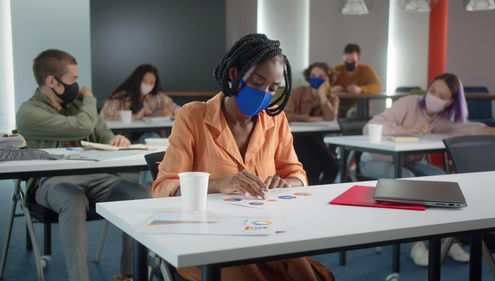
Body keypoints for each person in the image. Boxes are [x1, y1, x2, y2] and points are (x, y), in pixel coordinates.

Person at [152, 34, 335, 281]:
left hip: (265, 231)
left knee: (305, 274)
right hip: (208, 238)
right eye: (258, 82)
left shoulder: (275, 119)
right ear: (234, 74)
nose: (265, 94)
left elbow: (298, 174)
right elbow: (164, 187)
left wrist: (287, 183)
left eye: (273, 88)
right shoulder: (193, 116)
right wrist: (218, 184)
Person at [16, 49, 151, 281]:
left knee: (141, 193)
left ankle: (129, 274)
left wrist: (115, 140)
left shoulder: (79, 105)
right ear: (51, 81)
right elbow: (80, 126)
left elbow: (103, 132)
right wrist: (90, 99)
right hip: (51, 183)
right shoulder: (29, 112)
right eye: (73, 80)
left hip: (96, 178)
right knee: (73, 199)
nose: (78, 87)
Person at [359, 72, 495, 267]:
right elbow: (370, 127)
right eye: (432, 91)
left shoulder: (441, 119)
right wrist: (405, 129)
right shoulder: (408, 103)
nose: (434, 98)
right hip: (374, 159)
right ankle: (415, 243)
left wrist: (489, 130)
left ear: (450, 102)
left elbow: (462, 129)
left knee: (442, 178)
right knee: (406, 180)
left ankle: (447, 240)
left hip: (406, 162)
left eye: (442, 96)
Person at [285, 62, 339, 184]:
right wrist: (310, 119)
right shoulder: (298, 92)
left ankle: (322, 192)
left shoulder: (332, 98)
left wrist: (322, 96)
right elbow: (286, 115)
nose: (316, 79)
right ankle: (309, 194)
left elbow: (331, 119)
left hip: (316, 140)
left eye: (321, 76)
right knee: (312, 167)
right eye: (313, 75)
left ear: (328, 80)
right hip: (295, 140)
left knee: (333, 167)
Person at [100, 64, 180, 141]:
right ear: (137, 79)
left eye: (151, 82)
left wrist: (171, 113)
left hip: (148, 135)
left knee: (152, 137)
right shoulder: (121, 97)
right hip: (124, 137)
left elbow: (180, 110)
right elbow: (104, 114)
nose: (148, 85)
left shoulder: (157, 97)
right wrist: (135, 116)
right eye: (144, 80)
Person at [332, 43, 382, 117]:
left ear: (358, 60)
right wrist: (333, 89)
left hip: (357, 105)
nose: (349, 62)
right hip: (339, 105)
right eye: (346, 60)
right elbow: (326, 86)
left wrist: (361, 89)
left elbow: (378, 86)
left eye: (352, 60)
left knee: (353, 114)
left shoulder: (367, 70)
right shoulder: (337, 70)